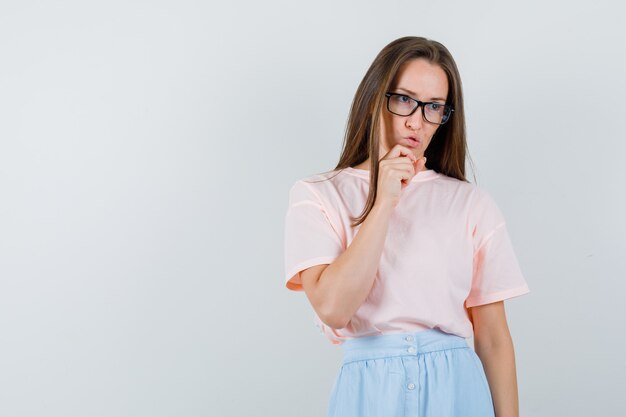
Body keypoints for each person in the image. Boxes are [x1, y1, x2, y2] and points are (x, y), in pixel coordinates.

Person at [283, 36, 530, 417]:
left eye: (434, 107)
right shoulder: (317, 195)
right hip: (369, 392)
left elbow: (494, 338)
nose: (417, 121)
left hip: (458, 390)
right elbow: (333, 308)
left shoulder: (471, 203)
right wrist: (383, 202)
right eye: (403, 100)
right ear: (372, 100)